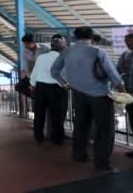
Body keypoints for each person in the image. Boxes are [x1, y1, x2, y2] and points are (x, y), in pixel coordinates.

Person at [51, 26, 126, 173]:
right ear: (91, 37)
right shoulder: (98, 51)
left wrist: (64, 83)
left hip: (78, 93)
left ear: (74, 37)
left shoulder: (67, 51)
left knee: (81, 125)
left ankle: (78, 155)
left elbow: (54, 71)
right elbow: (113, 74)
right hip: (100, 95)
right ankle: (102, 164)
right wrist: (123, 92)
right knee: (104, 129)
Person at [31, 36, 68, 145]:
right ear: (62, 48)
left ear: (51, 47)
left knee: (39, 114)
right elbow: (65, 76)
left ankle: (38, 137)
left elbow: (34, 74)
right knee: (57, 115)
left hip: (40, 89)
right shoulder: (62, 58)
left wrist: (33, 85)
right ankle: (57, 138)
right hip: (56, 89)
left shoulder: (41, 57)